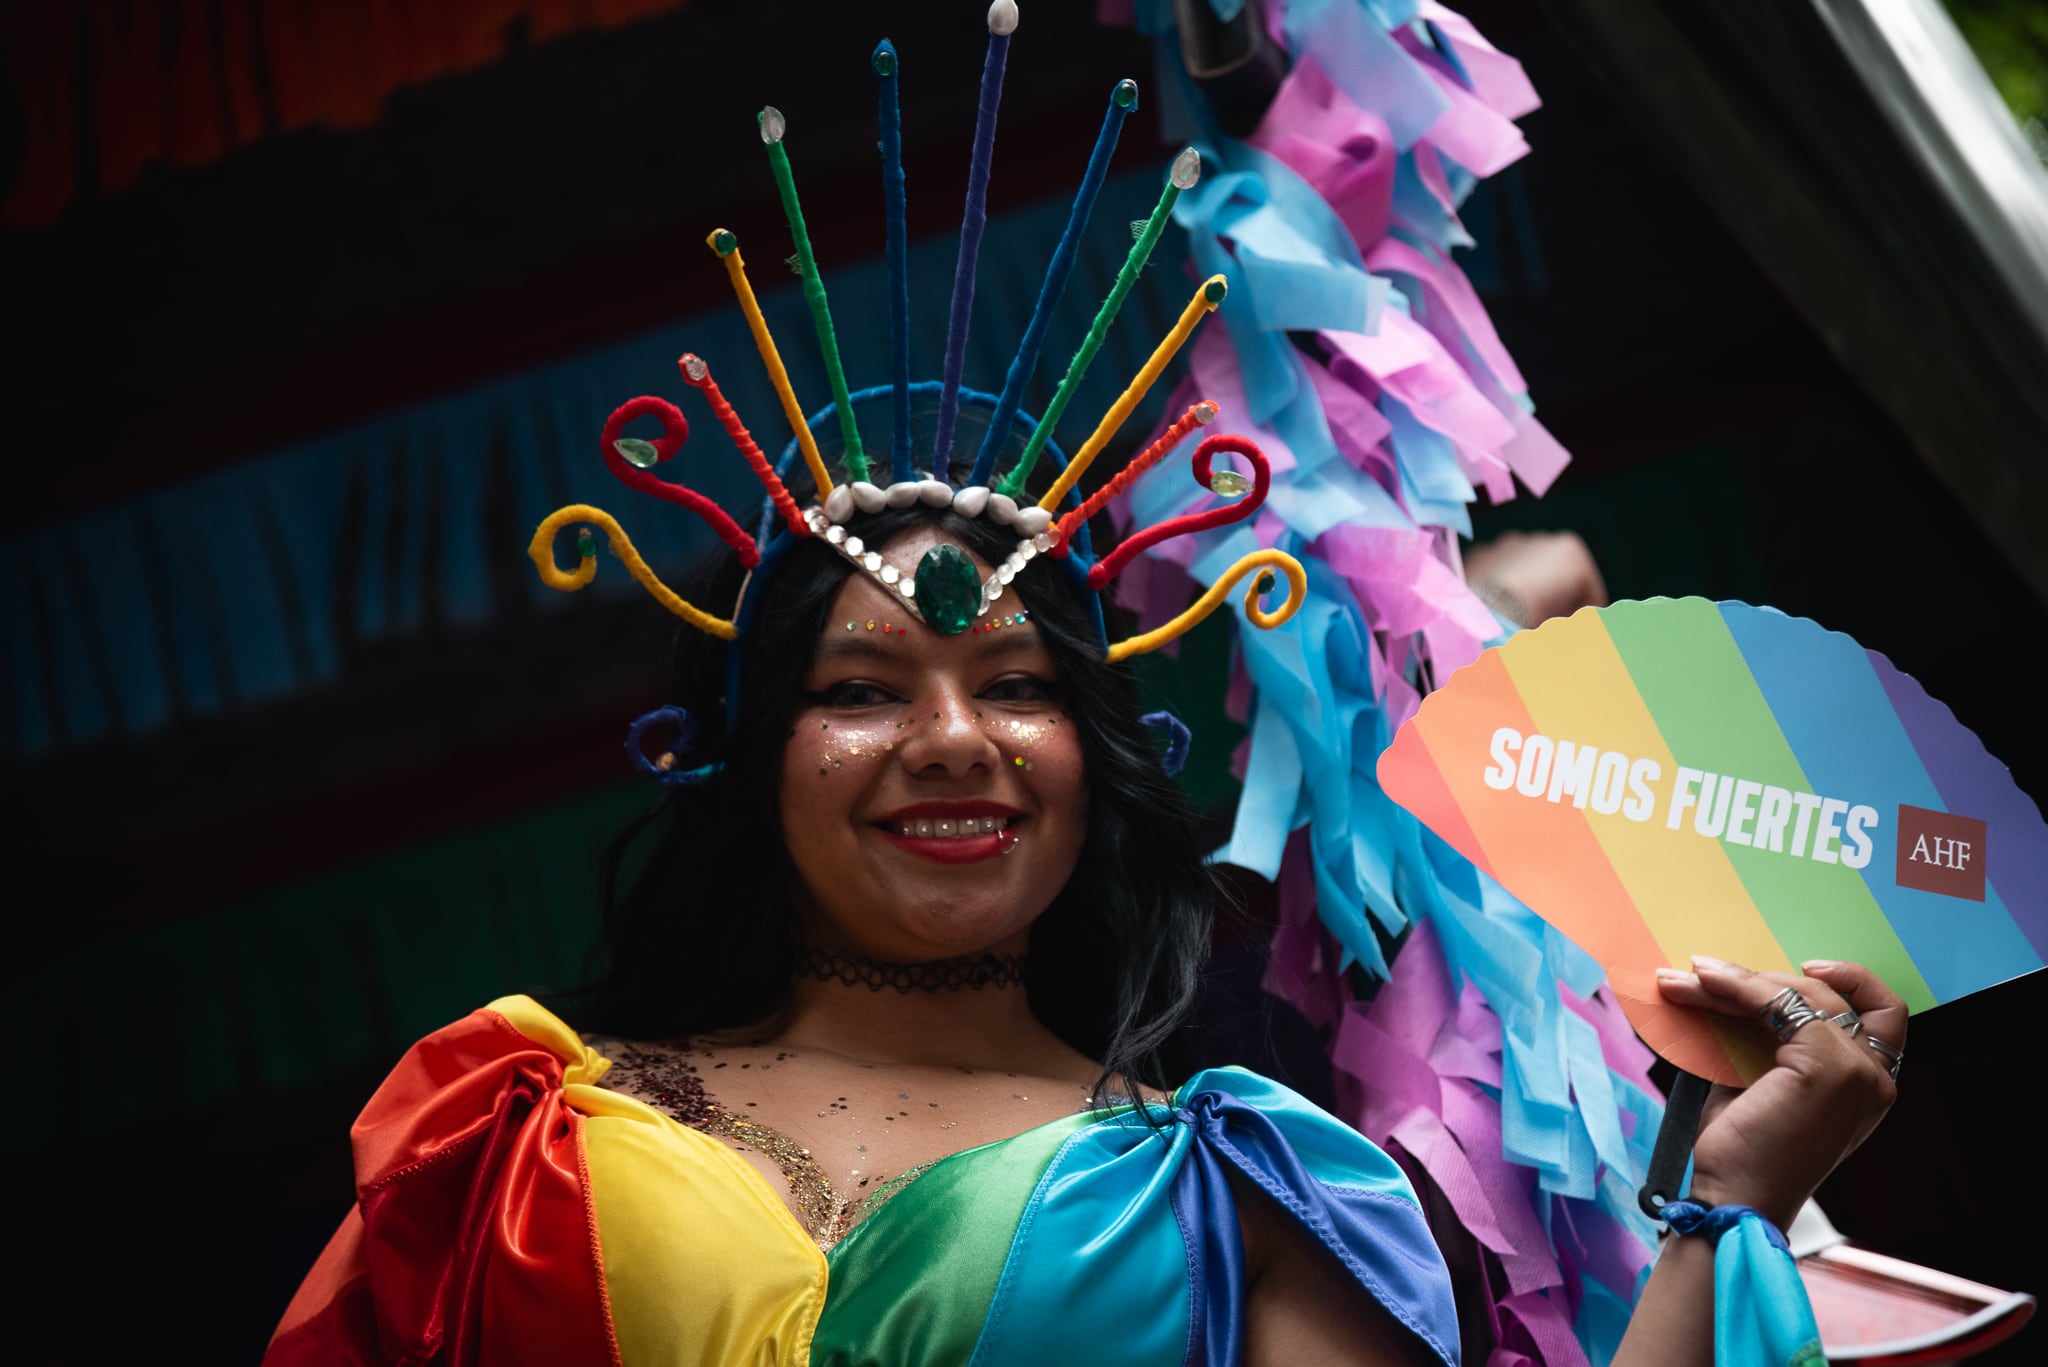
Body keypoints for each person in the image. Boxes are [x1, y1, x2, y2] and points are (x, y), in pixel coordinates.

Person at [260, 11, 1908, 1360]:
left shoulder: (1241, 1187)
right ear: (751, 759)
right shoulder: (504, 1139)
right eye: (860, 691)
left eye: (1017, 686)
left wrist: (1737, 1203)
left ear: (1094, 759)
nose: (951, 742)